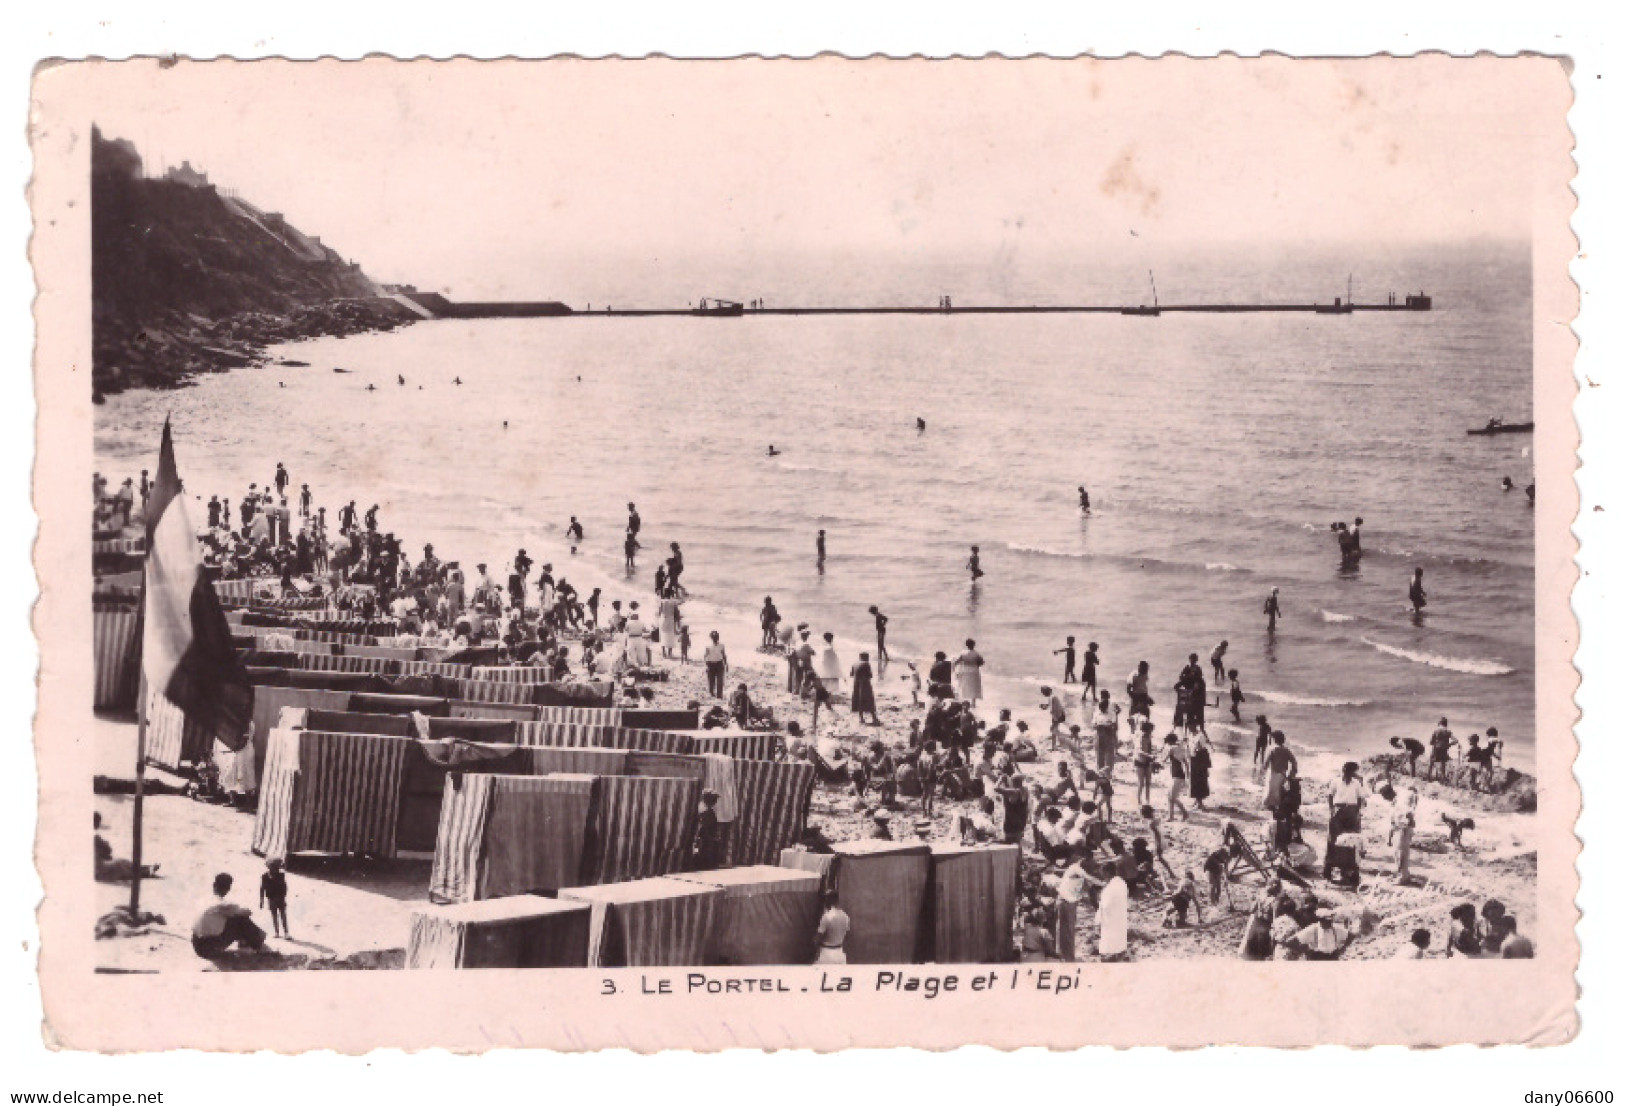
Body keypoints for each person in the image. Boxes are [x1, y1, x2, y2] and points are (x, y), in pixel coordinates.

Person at [191, 873, 266, 959]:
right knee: (241, 920)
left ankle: (248, 942)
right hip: (209, 949)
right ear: (228, 888)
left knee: (231, 918)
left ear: (214, 885)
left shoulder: (204, 899)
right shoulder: (223, 904)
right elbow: (247, 912)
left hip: (196, 944)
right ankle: (257, 944)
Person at [1263, 730, 1298, 811]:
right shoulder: (1286, 750)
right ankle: (1280, 807)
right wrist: (1292, 772)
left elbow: (1266, 763)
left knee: (1270, 792)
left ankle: (1272, 809)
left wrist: (1264, 768)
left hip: (1273, 773)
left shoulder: (1272, 750)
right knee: (1279, 791)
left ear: (1274, 739)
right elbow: (1294, 761)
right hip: (1282, 774)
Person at [814, 892, 850, 964]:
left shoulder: (827, 916)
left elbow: (817, 939)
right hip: (840, 953)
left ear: (828, 901)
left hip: (826, 954)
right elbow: (846, 936)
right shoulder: (846, 917)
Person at [693, 790, 724, 869]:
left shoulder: (704, 810)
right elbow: (704, 827)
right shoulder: (707, 812)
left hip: (706, 838)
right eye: (714, 799)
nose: (715, 801)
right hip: (706, 838)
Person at [1164, 733, 1191, 821]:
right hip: (1180, 774)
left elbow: (1164, 760)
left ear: (1170, 741)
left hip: (1176, 775)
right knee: (1170, 796)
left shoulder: (1172, 749)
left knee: (1172, 797)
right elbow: (1186, 764)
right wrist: (1187, 776)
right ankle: (1171, 816)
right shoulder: (1181, 748)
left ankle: (1184, 813)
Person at [850, 652, 880, 725]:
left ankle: (861, 718)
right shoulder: (866, 664)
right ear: (866, 657)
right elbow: (870, 675)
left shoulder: (855, 664)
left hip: (856, 684)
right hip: (865, 684)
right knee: (869, 701)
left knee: (859, 701)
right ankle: (874, 718)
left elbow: (851, 674)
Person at [1132, 722, 1156, 808]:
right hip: (1139, 761)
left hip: (1147, 761)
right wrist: (1149, 756)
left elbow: (1149, 749)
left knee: (1148, 782)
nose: (1151, 731)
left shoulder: (1148, 738)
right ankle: (1138, 801)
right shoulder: (1140, 738)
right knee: (1141, 783)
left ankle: (1147, 801)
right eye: (1151, 730)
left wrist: (1151, 758)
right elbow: (1139, 751)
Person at [953, 639, 984, 704]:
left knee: (963, 685)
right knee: (974, 687)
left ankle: (962, 701)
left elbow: (956, 662)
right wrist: (976, 665)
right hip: (974, 670)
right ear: (974, 645)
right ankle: (973, 703)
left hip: (965, 670)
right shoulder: (976, 653)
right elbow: (982, 662)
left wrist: (954, 670)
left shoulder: (963, 653)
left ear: (966, 645)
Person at [1426, 718, 1457, 782]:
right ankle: (1443, 778)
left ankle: (1428, 777)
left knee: (1431, 763)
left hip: (1436, 748)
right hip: (1444, 749)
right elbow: (1455, 740)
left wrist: (1437, 742)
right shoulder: (1448, 732)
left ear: (1439, 723)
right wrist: (1449, 744)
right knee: (1443, 764)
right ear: (1446, 724)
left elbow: (1431, 742)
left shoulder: (1436, 731)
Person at [1190, 733, 1213, 811]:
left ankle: (1200, 803)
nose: (1197, 744)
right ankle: (1197, 801)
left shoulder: (1203, 752)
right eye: (1196, 743)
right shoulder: (1196, 751)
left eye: (1198, 743)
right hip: (1195, 771)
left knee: (1200, 787)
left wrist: (1206, 771)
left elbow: (1207, 764)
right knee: (1196, 786)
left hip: (1201, 772)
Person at [703, 631, 728, 698]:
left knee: (720, 680)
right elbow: (705, 655)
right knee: (711, 680)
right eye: (714, 637)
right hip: (710, 664)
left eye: (716, 637)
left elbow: (724, 655)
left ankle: (719, 695)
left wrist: (726, 664)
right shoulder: (708, 646)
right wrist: (706, 664)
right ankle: (711, 693)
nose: (715, 639)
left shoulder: (721, 646)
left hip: (719, 664)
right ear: (711, 638)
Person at [1041, 685, 1067, 750]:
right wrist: (1044, 706)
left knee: (1053, 730)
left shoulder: (1052, 698)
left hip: (1056, 715)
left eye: (1044, 693)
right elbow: (1055, 706)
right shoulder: (1053, 697)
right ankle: (1058, 743)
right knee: (1055, 730)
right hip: (1058, 715)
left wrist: (1056, 718)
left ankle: (1054, 746)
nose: (1043, 694)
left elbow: (1053, 709)